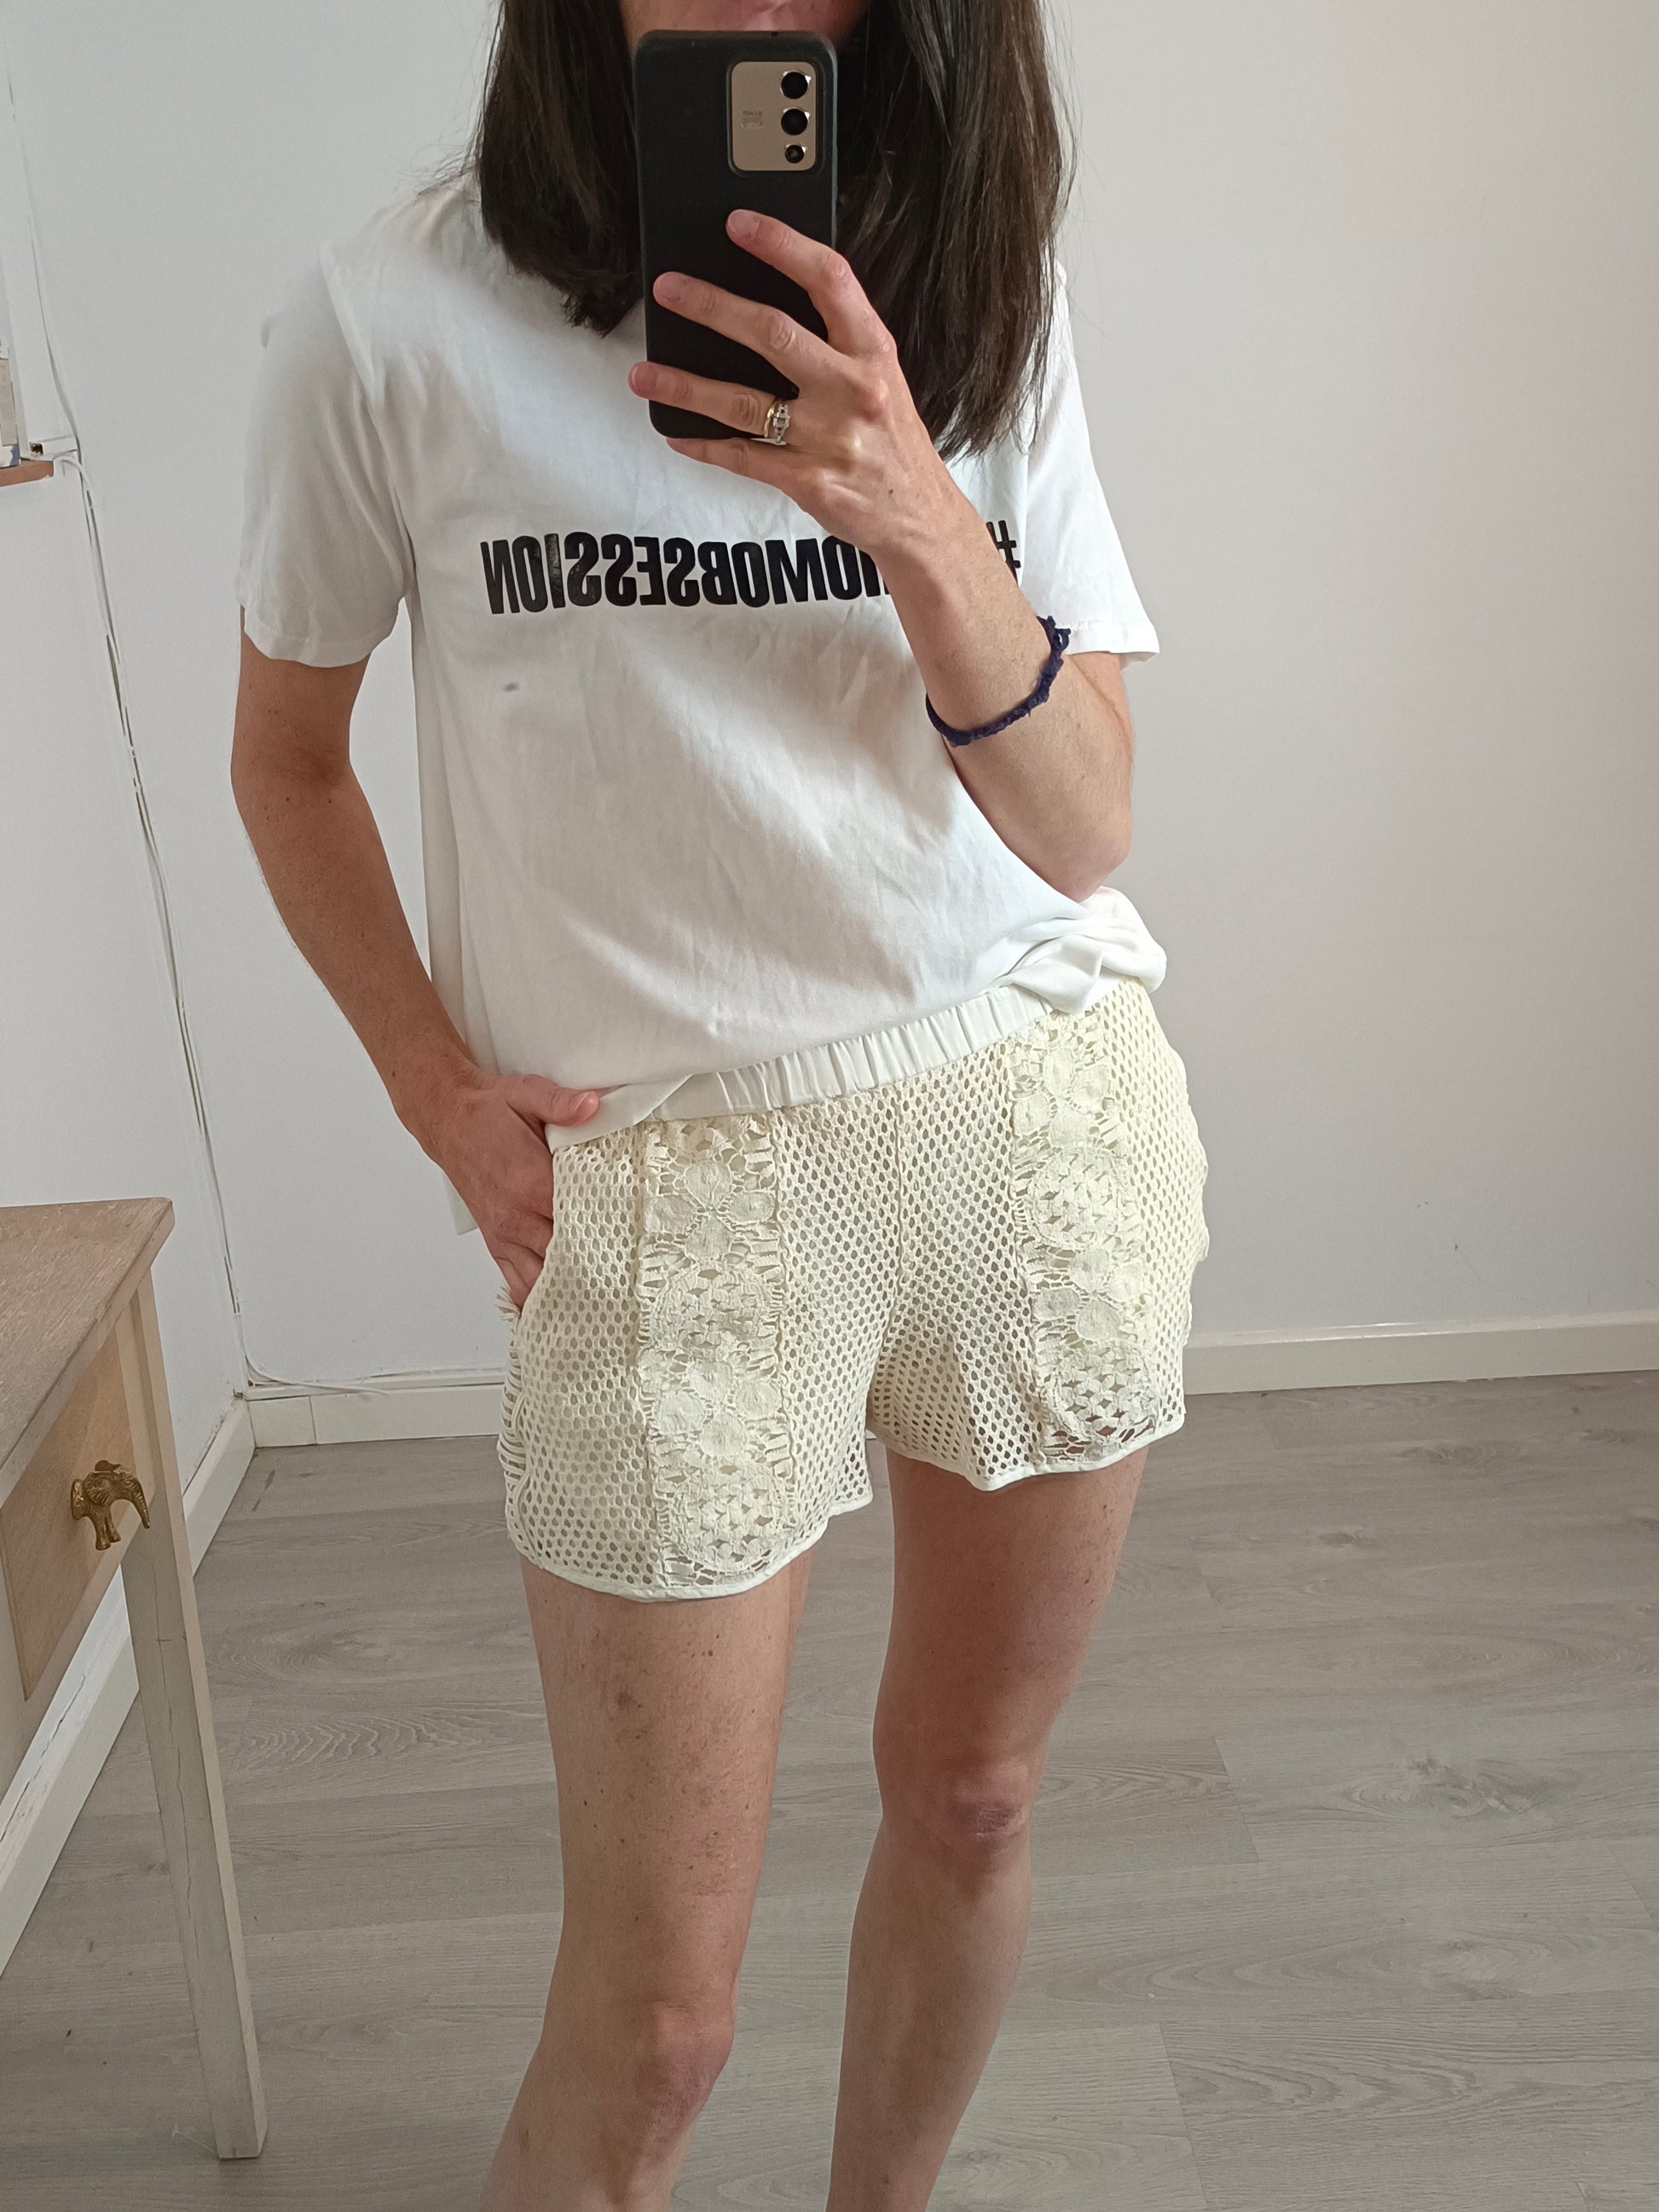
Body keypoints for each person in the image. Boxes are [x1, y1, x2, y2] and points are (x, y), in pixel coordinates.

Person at [231, 0, 1209, 2203]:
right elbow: (285, 761)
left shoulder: (975, 288)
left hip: (1027, 1124)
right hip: (666, 1188)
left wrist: (915, 512)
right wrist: (433, 1088)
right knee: (658, 2020)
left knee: (973, 1792)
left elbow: (1083, 826)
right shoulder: (388, 320)